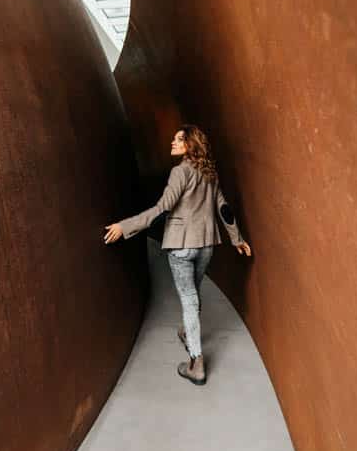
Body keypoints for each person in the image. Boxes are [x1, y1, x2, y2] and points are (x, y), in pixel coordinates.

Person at [103, 124, 252, 386]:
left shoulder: (179, 172)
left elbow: (162, 208)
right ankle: (187, 331)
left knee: (189, 299)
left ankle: (196, 363)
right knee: (193, 293)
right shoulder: (209, 173)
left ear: (190, 145)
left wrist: (124, 226)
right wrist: (236, 239)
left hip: (182, 247)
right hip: (206, 245)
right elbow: (224, 208)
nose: (173, 142)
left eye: (179, 140)